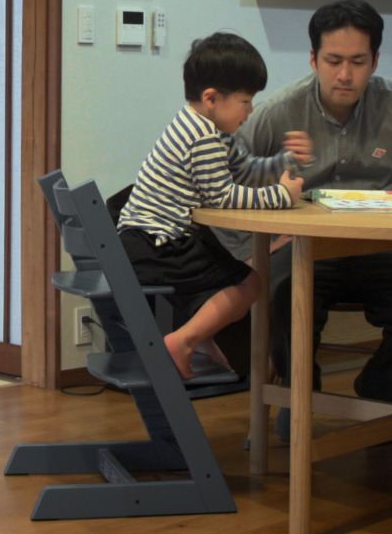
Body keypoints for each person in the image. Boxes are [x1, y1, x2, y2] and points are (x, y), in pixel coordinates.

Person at [216, 0, 392, 410]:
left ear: (375, 61)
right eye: (333, 61)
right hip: (302, 247)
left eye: (358, 62)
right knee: (279, 298)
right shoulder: (279, 111)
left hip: (383, 245)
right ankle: (301, 397)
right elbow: (219, 183)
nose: (345, 75)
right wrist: (249, 253)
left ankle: (377, 399)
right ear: (313, 59)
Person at [118, 32, 304, 380]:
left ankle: (199, 339)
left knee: (226, 273)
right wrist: (281, 196)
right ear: (212, 98)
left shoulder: (205, 128)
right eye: (246, 101)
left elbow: (244, 169)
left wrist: (284, 161)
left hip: (147, 240)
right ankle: (184, 340)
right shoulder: (202, 137)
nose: (250, 111)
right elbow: (224, 196)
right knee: (249, 283)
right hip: (158, 244)